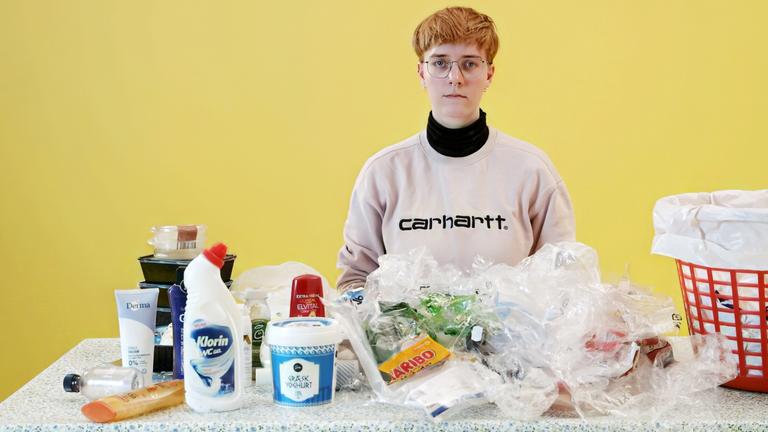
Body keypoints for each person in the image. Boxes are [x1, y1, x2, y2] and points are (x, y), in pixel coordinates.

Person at [336, 6, 575, 291]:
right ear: (421, 73)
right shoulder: (384, 172)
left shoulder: (532, 170)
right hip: (407, 338)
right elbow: (355, 280)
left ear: (489, 74)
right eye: (440, 63)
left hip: (513, 337)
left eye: (470, 63)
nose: (455, 78)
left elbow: (564, 282)